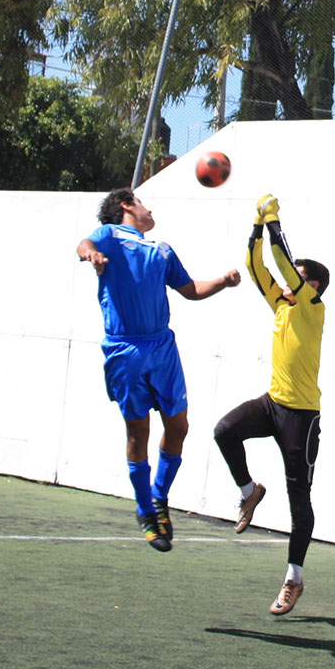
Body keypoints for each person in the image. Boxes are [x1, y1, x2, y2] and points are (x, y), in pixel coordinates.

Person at [77, 187, 241, 552]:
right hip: (126, 349)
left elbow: (191, 290)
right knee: (138, 433)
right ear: (126, 205)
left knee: (179, 426)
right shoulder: (110, 235)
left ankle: (159, 498)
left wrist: (223, 282)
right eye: (142, 202)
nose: (149, 209)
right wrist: (92, 256)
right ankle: (144, 510)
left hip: (163, 347)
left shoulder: (162, 250)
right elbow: (85, 243)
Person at [213, 194, 329, 615]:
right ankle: (249, 491)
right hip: (272, 404)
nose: (285, 283)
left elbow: (281, 264)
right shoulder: (281, 305)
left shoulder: (312, 309)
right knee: (225, 430)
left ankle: (293, 579)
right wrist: (257, 225)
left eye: (295, 279)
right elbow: (255, 265)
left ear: (310, 286)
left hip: (302, 418)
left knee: (300, 501)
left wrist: (274, 214)